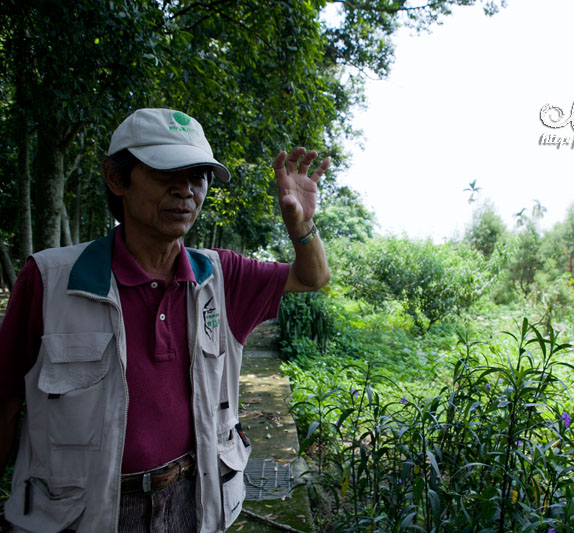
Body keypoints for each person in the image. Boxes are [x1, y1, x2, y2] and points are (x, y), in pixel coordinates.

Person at [0, 108, 331, 532]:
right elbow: (6, 399)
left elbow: (312, 277)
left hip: (194, 501)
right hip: (83, 512)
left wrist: (301, 226)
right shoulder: (51, 279)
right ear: (117, 178)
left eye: (198, 177)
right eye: (165, 173)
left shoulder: (222, 276)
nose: (186, 191)